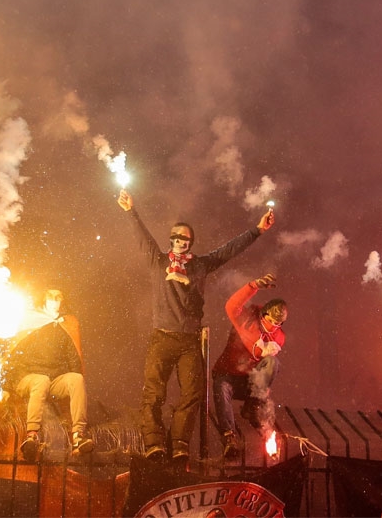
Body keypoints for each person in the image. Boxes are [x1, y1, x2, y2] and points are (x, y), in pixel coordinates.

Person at [116, 189, 275, 464]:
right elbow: (143, 239)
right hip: (162, 338)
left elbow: (228, 250)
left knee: (192, 393)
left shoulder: (200, 265)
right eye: (175, 237)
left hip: (189, 340)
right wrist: (131, 211)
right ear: (170, 241)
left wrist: (257, 230)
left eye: (184, 238)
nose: (178, 241)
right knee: (154, 393)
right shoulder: (159, 262)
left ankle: (179, 444)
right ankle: (154, 444)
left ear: (191, 243)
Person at [5, 288, 93, 462]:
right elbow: (12, 356)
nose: (55, 300)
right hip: (28, 378)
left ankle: (78, 436)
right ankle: (32, 436)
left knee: (76, 379)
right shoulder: (32, 323)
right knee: (41, 380)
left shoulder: (62, 328)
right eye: (51, 297)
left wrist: (76, 389)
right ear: (44, 300)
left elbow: (74, 361)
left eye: (58, 297)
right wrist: (6, 386)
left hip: (51, 381)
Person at [211, 273, 287, 459]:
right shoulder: (246, 318)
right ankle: (229, 436)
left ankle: (252, 405)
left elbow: (265, 364)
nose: (274, 326)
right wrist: (253, 286)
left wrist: (265, 352)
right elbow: (231, 305)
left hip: (249, 383)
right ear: (263, 315)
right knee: (221, 387)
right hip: (228, 374)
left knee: (272, 363)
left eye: (279, 323)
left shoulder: (278, 337)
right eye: (271, 321)